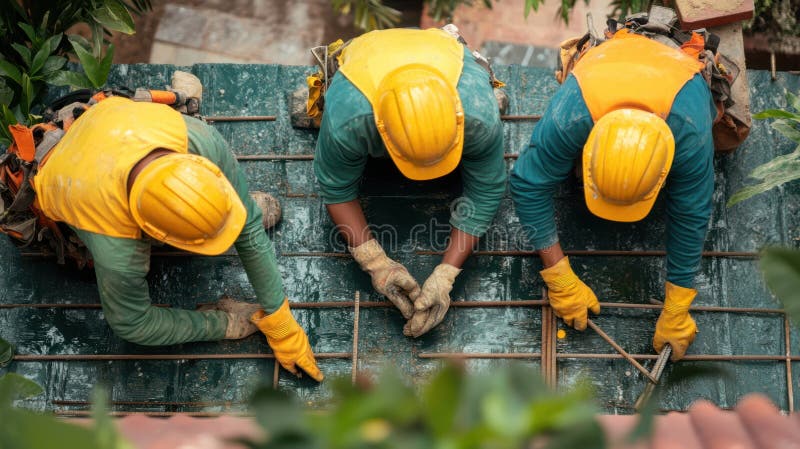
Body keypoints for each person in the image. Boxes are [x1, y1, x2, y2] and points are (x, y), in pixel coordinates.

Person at [32, 95, 323, 381]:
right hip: (66, 176)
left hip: (109, 130)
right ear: (156, 236)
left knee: (244, 216)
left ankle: (222, 211)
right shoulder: (117, 246)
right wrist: (223, 324)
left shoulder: (199, 140)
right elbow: (133, 324)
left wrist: (281, 319)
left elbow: (249, 228)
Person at [510, 28, 716, 361]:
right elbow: (527, 183)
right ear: (587, 150)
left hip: (678, 77)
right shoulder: (572, 115)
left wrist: (678, 306)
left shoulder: (690, 134)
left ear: (663, 174)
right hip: (603, 69)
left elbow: (691, 214)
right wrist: (558, 275)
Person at [313, 27, 506, 337]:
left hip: (444, 52)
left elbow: (486, 189)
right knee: (322, 114)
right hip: (366, 59)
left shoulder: (477, 114)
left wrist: (446, 274)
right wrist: (375, 263)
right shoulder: (350, 117)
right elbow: (336, 188)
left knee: (489, 121)